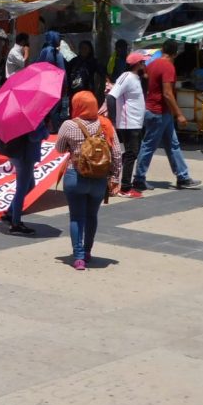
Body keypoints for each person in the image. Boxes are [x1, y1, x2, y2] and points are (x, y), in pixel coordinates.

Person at [55, 92, 123, 271]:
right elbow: (116, 153)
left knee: (76, 217)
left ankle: (78, 258)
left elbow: (59, 149)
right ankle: (87, 251)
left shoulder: (69, 125)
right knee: (92, 216)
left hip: (74, 176)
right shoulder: (105, 124)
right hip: (99, 179)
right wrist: (115, 178)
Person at [130, 40, 201, 192]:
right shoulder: (168, 66)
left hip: (156, 110)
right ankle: (139, 179)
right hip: (159, 112)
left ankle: (182, 177)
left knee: (172, 145)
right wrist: (179, 114)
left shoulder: (152, 64)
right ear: (175, 53)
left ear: (162, 49)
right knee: (149, 145)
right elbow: (167, 93)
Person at [107, 52, 147, 199]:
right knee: (131, 153)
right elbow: (111, 96)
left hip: (136, 122)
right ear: (137, 64)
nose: (145, 65)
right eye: (143, 63)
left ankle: (113, 175)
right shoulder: (126, 77)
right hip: (128, 123)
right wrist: (112, 120)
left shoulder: (136, 78)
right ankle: (125, 187)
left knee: (131, 153)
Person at [0, 121, 48, 235]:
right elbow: (34, 136)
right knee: (21, 190)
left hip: (16, 154)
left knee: (30, 186)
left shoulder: (15, 117)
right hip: (25, 157)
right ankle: (15, 224)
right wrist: (45, 132)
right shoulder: (32, 119)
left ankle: (10, 213)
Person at [37, 30, 68, 131]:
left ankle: (44, 128)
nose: (60, 41)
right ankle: (55, 129)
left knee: (44, 108)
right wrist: (65, 87)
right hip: (55, 85)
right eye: (59, 38)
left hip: (43, 85)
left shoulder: (43, 51)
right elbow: (62, 72)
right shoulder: (56, 53)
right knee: (55, 109)